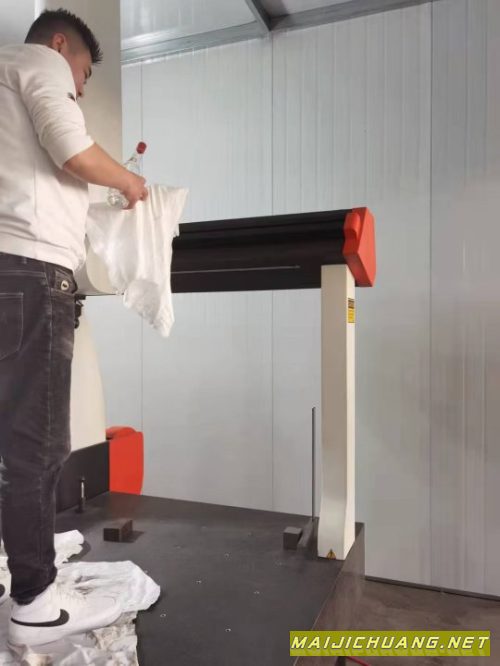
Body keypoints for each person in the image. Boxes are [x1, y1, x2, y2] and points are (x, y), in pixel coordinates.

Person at [0, 9, 148, 647]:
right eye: (83, 72)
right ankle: (35, 603)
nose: (80, 88)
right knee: (35, 447)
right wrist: (131, 182)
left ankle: (22, 569)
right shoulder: (38, 63)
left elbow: (38, 171)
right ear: (61, 45)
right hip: (30, 278)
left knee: (9, 438)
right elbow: (70, 148)